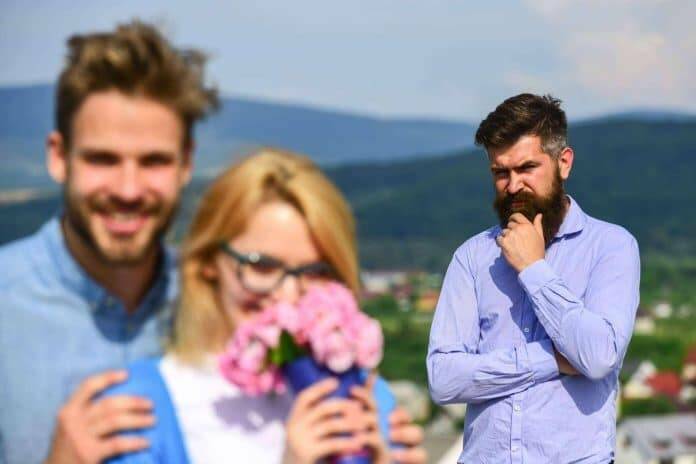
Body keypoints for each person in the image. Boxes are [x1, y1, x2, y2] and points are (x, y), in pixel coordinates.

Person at [104, 148, 427, 463]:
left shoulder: (369, 399)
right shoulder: (137, 410)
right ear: (208, 262)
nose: (288, 296)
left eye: (316, 272)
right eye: (262, 266)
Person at [0, 21, 219, 464]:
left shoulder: (219, 306)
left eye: (154, 161)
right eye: (103, 159)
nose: (128, 190)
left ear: (186, 163)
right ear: (58, 157)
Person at [427, 93, 640, 463]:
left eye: (527, 168)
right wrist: (552, 359)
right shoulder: (472, 257)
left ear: (564, 163)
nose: (513, 186)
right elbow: (443, 379)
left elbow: (598, 356)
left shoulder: (611, 246)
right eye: (500, 173)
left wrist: (533, 268)